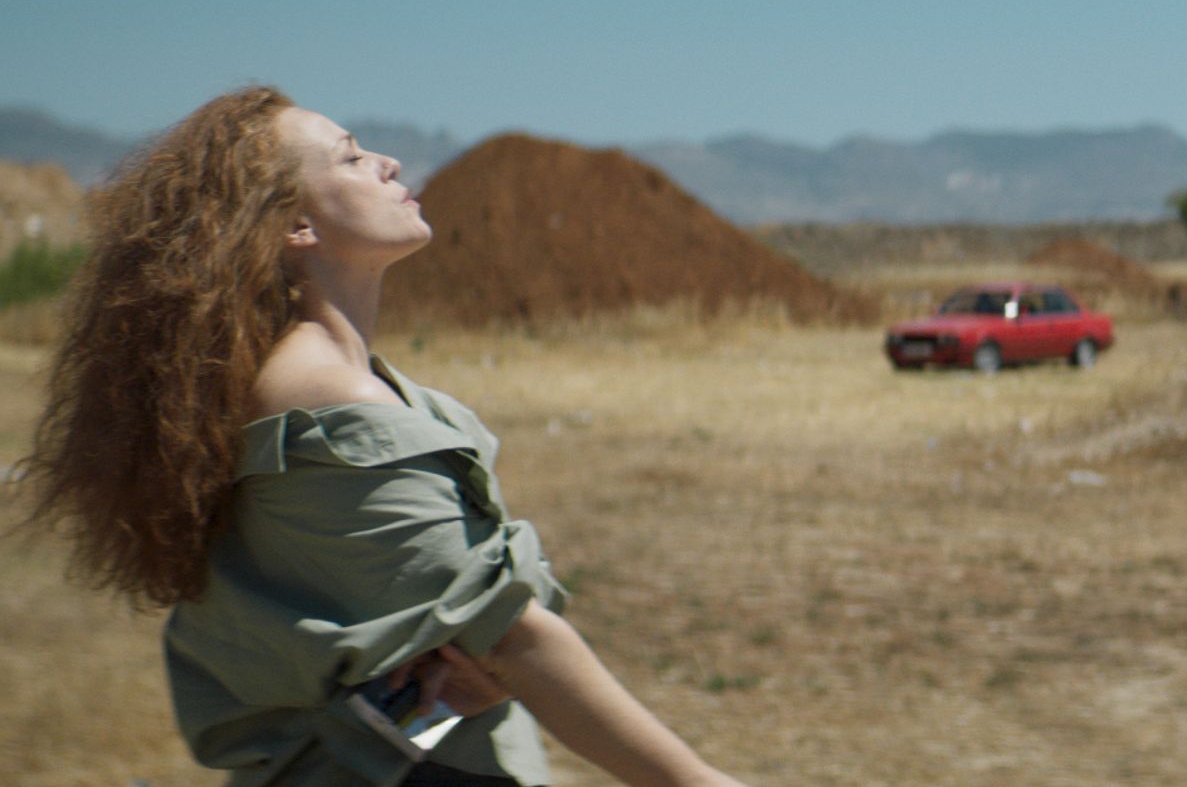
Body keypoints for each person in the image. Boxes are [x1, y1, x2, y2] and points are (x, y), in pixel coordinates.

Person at [23, 87, 746, 787]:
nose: (388, 164)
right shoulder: (327, 398)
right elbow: (513, 638)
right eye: (349, 158)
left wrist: (471, 669)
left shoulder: (330, 379)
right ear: (295, 227)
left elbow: (445, 650)